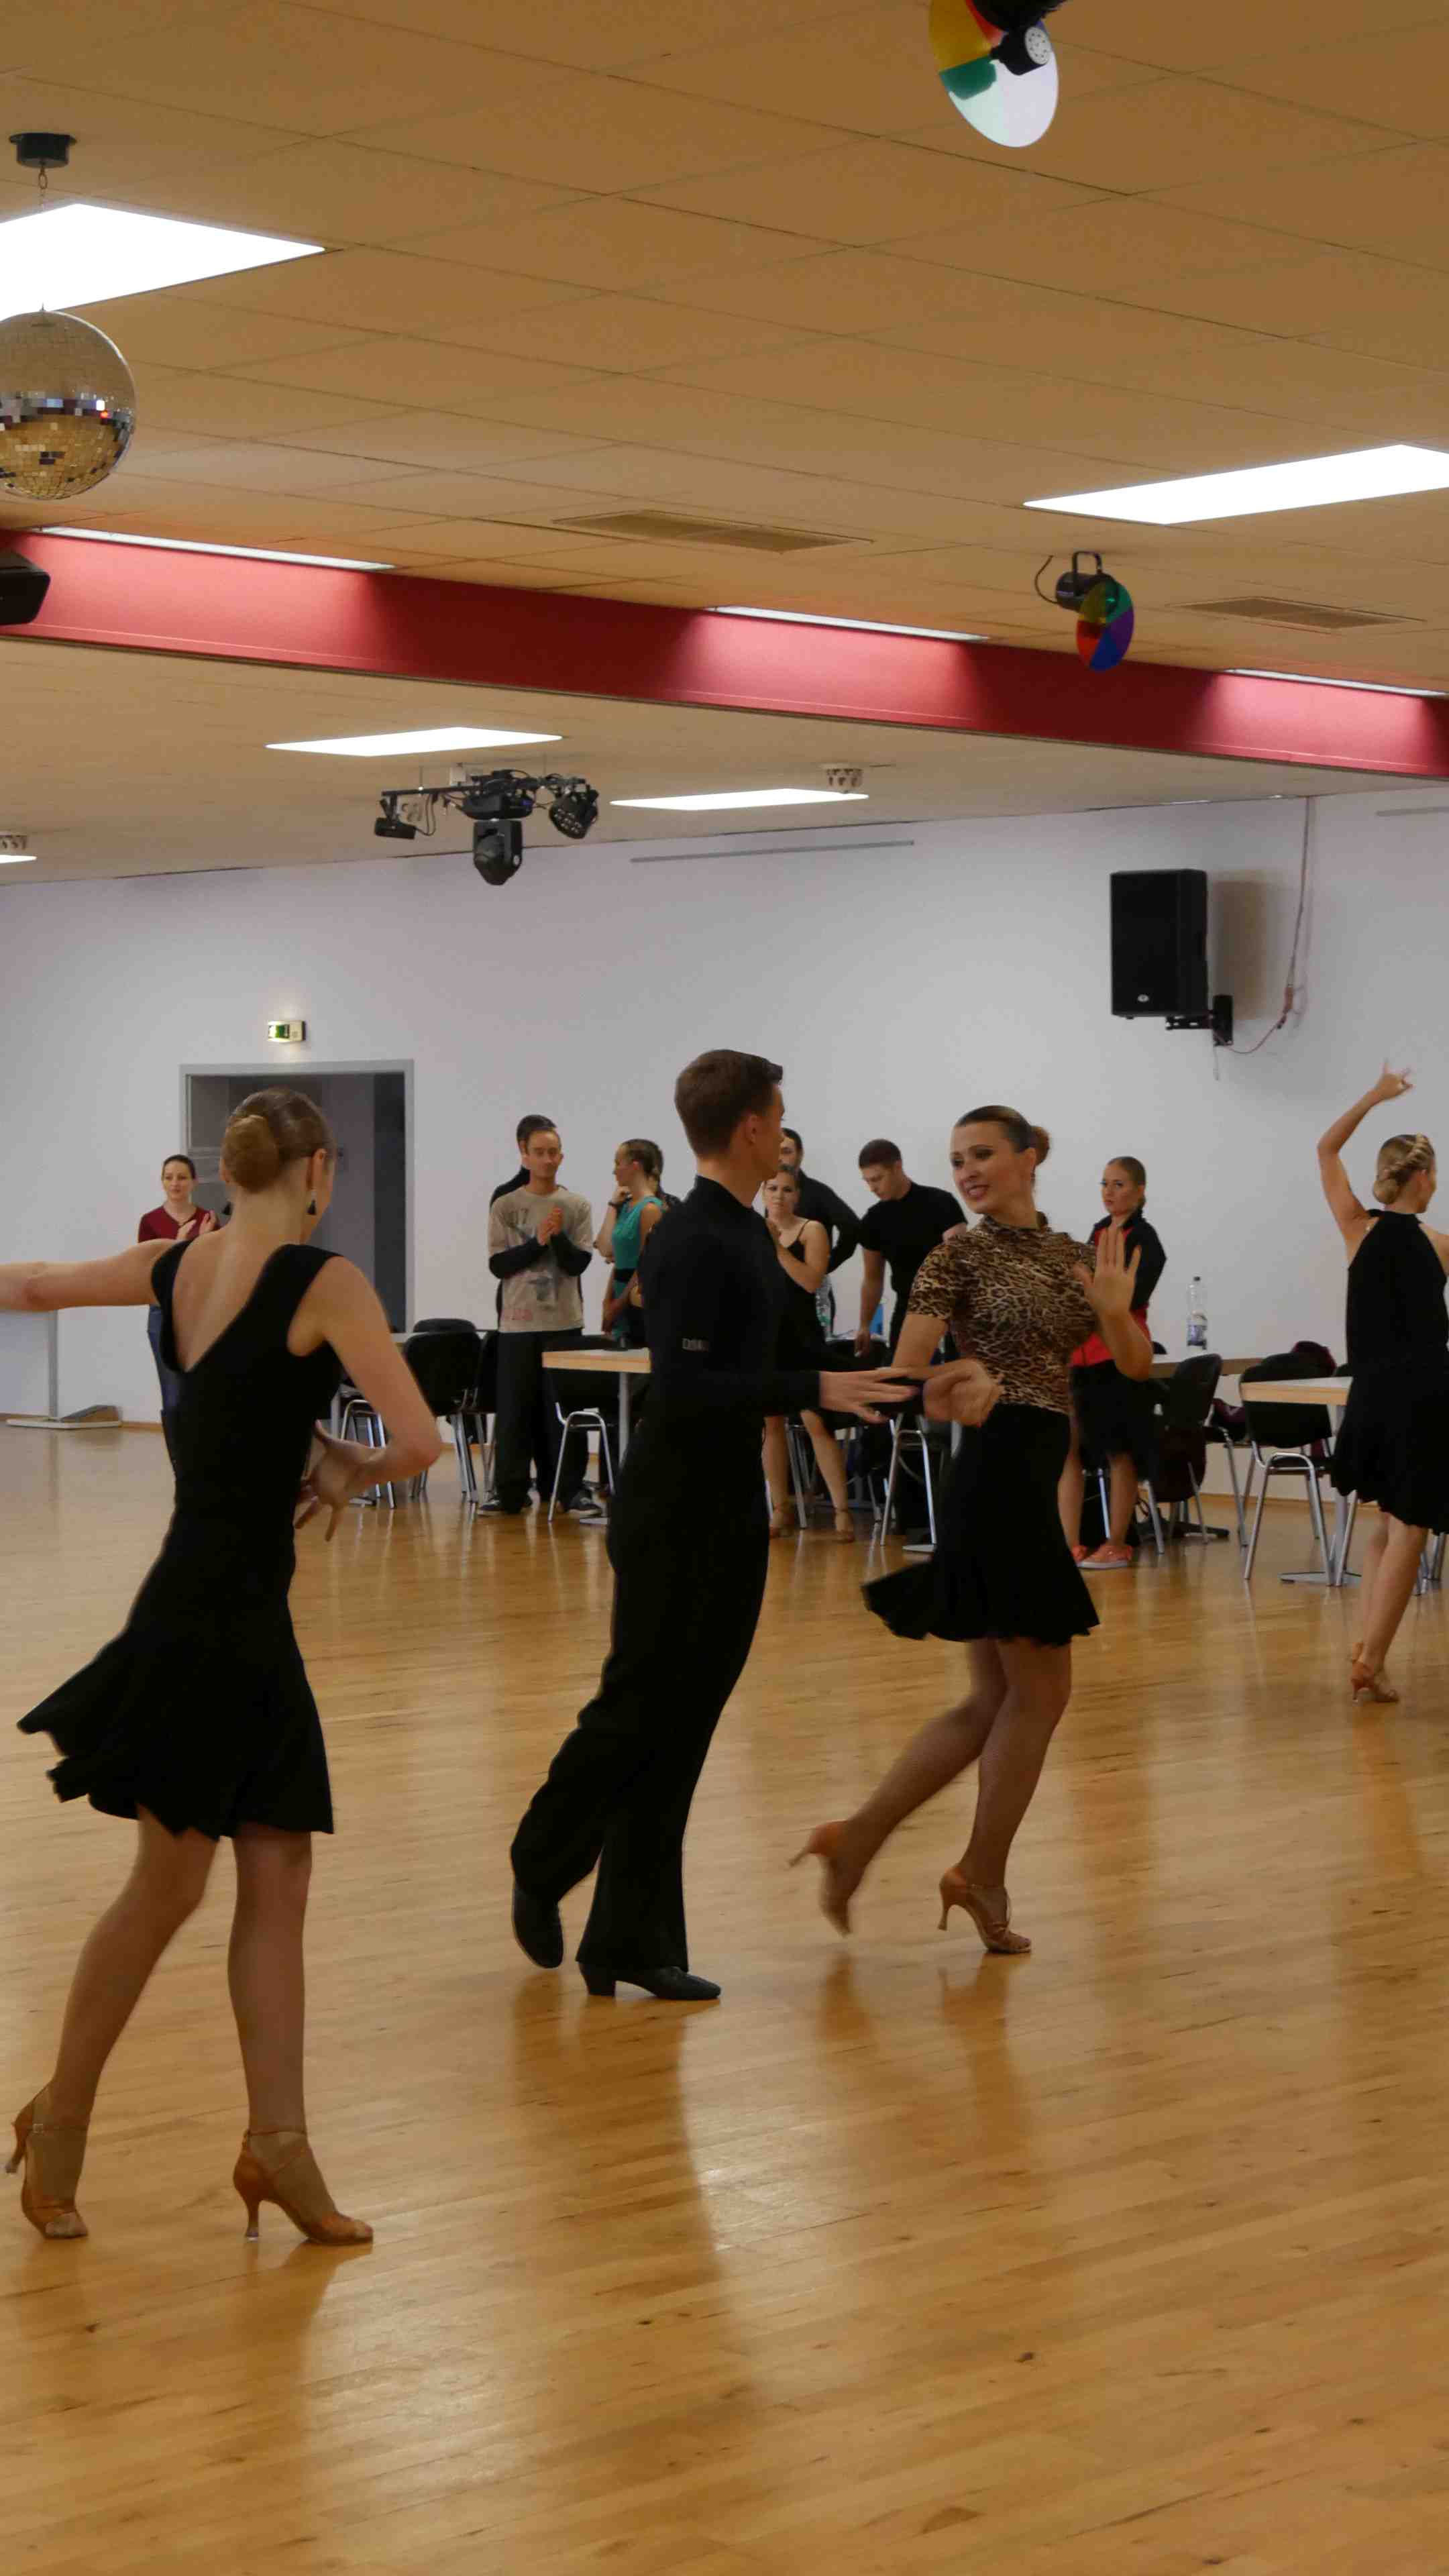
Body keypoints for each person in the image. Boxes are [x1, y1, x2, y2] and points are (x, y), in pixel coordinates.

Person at [2, 1088, 441, 2246]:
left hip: (212, 1605)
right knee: (170, 1886)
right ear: (317, 1169)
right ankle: (58, 2123)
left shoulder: (174, 1266)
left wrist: (328, 1453)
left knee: (273, 1873)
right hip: (218, 1619)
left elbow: (35, 1285)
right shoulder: (325, 1282)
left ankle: (276, 2145)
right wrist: (347, 1465)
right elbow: (421, 1442)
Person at [508, 1051, 908, 2003]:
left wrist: (915, 1384)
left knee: (683, 1727)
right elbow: (688, 1384)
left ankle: (630, 1940)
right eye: (779, 1116)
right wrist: (814, 1386)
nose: (786, 1133)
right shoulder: (692, 1238)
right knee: (638, 1706)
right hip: (672, 1505)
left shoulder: (743, 1232)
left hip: (726, 1503)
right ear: (752, 1128)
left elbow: (791, 1354)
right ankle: (542, 1855)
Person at [794, 1105, 1150, 1958]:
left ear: (1031, 1157)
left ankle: (862, 1838)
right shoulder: (957, 1253)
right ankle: (977, 1872)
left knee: (995, 1700)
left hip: (1028, 1475)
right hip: (993, 1477)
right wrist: (953, 1380)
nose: (967, 1171)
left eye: (983, 1154)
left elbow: (1135, 1367)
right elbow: (903, 1376)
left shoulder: (1074, 1255)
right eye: (957, 1160)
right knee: (1041, 1695)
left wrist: (1113, 1312)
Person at [1318, 1063, 1449, 1705]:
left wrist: (1373, 1096)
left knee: (1388, 1524)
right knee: (1411, 1528)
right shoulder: (1439, 1245)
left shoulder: (1357, 1228)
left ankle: (1371, 1657)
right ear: (1422, 1178)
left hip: (1370, 1396)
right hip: (1421, 1398)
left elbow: (1326, 1149)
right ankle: (1371, 1657)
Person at [1059, 1157, 1166, 1570]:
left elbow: (1127, 1301)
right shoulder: (1099, 1232)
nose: (1109, 1192)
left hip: (1119, 1355)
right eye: (1105, 1183)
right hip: (1082, 1354)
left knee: (1120, 1451)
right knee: (1069, 1448)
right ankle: (1070, 1542)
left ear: (1140, 1190)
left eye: (1119, 1184)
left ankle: (1117, 1541)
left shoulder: (1146, 1240)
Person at [486, 1122, 594, 1515]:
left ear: (561, 1157)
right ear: (525, 1156)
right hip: (518, 1325)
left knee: (563, 1411)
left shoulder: (576, 1206)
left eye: (553, 1153)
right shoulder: (505, 1205)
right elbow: (499, 1265)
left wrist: (558, 1237)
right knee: (516, 1412)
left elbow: (577, 1264)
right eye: (540, 1152)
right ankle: (510, 1492)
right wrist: (538, 1243)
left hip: (564, 1323)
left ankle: (567, 1488)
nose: (547, 1160)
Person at [761, 1168, 856, 1541]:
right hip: (768, 1337)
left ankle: (842, 1510)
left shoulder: (811, 1230)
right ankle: (780, 1506)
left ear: (797, 1196)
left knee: (815, 1419)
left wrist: (777, 1248)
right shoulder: (752, 1230)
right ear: (763, 1192)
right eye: (773, 1188)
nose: (779, 1196)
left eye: (787, 1190)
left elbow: (811, 1281)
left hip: (803, 1339)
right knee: (771, 1422)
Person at [138, 1154, 218, 1465]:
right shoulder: (150, 1222)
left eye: (182, 1177)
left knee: (201, 1393)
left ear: (194, 1182)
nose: (175, 1183)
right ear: (162, 1181)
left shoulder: (208, 1220)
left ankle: (203, 1463)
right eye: (168, 1177)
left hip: (201, 1314)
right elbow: (148, 1272)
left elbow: (216, 1270)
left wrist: (205, 1241)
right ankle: (181, 1467)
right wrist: (179, 1243)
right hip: (163, 1314)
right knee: (172, 1397)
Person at [854, 1139, 961, 1355]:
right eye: (867, 1181)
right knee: (899, 1373)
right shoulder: (873, 1220)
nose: (872, 1188)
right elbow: (873, 1279)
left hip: (952, 1308)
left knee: (955, 1372)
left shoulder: (941, 1202)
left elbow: (958, 1262)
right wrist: (864, 1325)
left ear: (897, 1167)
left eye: (877, 1179)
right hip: (907, 1308)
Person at [595, 1139, 666, 1349]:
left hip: (637, 1300)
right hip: (620, 1292)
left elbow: (645, 1264)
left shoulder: (651, 1210)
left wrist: (619, 1303)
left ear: (635, 1166)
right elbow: (609, 1250)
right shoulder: (625, 1206)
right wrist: (607, 1301)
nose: (614, 1171)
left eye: (618, 1163)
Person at [777, 1128, 860, 1276]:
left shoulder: (818, 1193)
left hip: (811, 1286)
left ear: (800, 1155)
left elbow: (853, 1227)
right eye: (775, 1151)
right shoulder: (770, 1192)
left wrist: (827, 1265)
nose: (779, 1158)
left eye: (786, 1152)